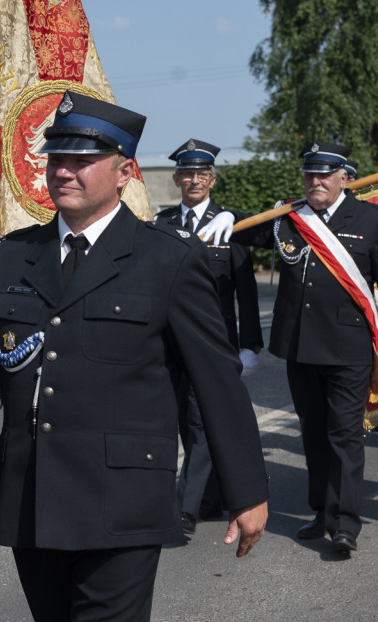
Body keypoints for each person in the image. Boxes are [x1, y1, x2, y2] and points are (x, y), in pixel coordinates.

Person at [0, 92, 269, 622]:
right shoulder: (9, 257)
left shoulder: (169, 260)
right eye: (55, 156)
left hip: (123, 502)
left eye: (82, 158)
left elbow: (217, 381)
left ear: (125, 171)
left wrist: (246, 489)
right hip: (33, 499)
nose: (64, 170)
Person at [208, 140, 378, 554]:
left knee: (344, 434)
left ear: (345, 177)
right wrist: (227, 217)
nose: (316, 180)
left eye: (325, 173)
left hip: (347, 349)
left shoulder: (372, 219)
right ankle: (322, 511)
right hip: (301, 346)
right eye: (310, 173)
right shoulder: (287, 216)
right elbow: (246, 227)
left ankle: (345, 524)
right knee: (314, 434)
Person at [154, 138, 263, 536]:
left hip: (213, 343)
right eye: (188, 173)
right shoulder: (162, 225)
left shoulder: (232, 224)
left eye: (202, 174)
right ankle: (212, 499)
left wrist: (250, 344)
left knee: (201, 423)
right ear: (177, 178)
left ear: (212, 181)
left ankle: (185, 508)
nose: (194, 180)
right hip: (170, 343)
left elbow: (245, 292)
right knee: (183, 419)